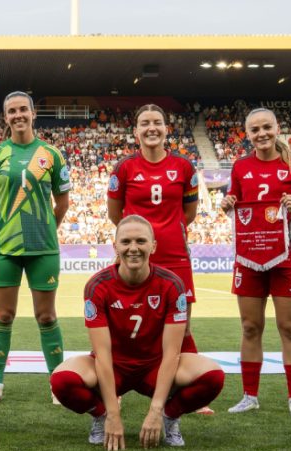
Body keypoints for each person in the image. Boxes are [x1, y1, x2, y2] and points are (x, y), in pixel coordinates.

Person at [50, 216, 224, 450]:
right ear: (115, 246)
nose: (133, 248)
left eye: (141, 241)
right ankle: (99, 417)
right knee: (61, 381)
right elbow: (102, 354)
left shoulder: (172, 284)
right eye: (126, 242)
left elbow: (172, 353)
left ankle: (170, 417)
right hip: (114, 367)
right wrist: (112, 414)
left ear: (153, 246)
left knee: (213, 376)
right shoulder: (97, 285)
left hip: (156, 366)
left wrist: (157, 410)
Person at [106, 103, 214, 415]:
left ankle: (189, 393)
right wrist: (138, 244)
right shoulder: (124, 168)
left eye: (157, 122)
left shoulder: (184, 167)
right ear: (135, 131)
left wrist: (164, 236)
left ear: (166, 128)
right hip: (134, 259)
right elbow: (117, 216)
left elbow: (189, 213)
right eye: (144, 123)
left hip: (175, 257)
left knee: (183, 326)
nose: (151, 128)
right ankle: (115, 384)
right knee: (122, 324)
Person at [220, 108, 291, 417]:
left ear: (277, 128)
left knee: (289, 328)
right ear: (247, 134)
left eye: (266, 127)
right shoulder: (240, 167)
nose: (261, 134)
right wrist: (226, 204)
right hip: (249, 256)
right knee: (250, 327)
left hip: (287, 257)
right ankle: (250, 395)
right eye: (254, 129)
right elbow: (235, 205)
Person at [0, 91, 70, 405]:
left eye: (23, 110)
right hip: (4, 249)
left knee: (46, 316)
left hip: (43, 248)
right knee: (3, 315)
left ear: (33, 113)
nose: (18, 115)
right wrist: (1, 232)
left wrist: (44, 230)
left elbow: (63, 201)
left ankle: (57, 384)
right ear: (5, 117)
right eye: (11, 111)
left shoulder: (51, 155)